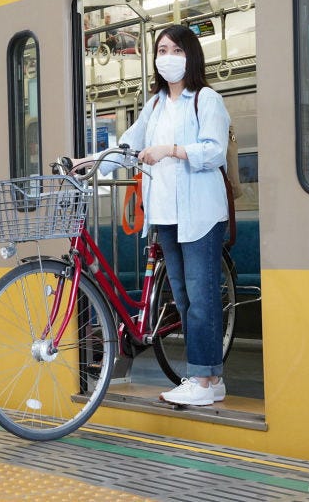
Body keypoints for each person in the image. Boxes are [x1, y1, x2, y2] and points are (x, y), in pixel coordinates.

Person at [80, 25, 231, 406]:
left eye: (175, 49)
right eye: (161, 49)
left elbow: (215, 152)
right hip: (165, 214)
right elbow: (129, 143)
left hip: (201, 214)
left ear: (190, 56)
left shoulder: (207, 99)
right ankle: (206, 376)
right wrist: (90, 162)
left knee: (201, 296)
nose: (167, 56)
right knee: (181, 297)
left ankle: (204, 377)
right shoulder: (155, 105)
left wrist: (172, 150)